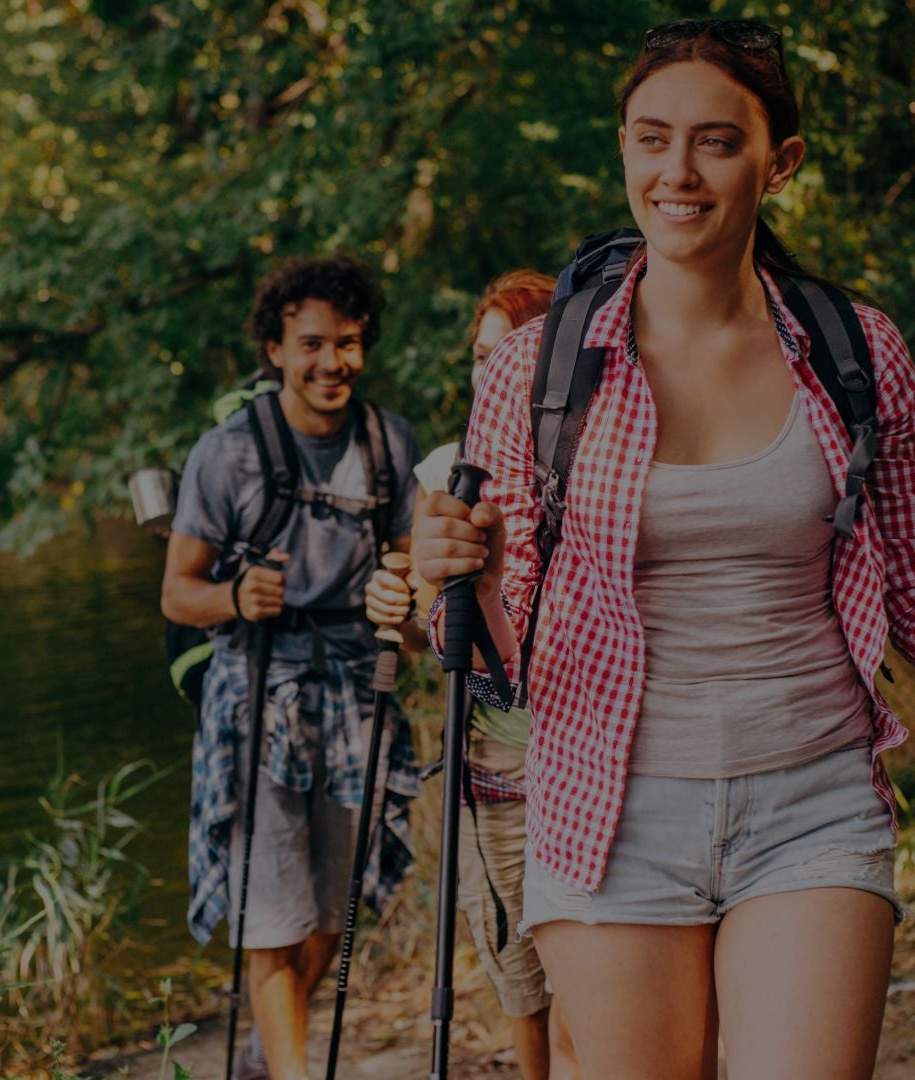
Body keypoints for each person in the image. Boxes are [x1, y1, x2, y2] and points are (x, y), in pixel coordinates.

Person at [407, 19, 915, 1078]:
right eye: (652, 138)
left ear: (780, 163)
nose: (679, 170)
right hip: (604, 812)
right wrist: (461, 570)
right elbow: (497, 647)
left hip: (810, 804)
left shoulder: (855, 353)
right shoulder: (536, 372)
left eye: (717, 141)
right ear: (621, 147)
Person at [161, 254, 422, 1080]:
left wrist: (405, 608)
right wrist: (236, 598)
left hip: (357, 698)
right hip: (257, 703)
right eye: (311, 343)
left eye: (348, 343)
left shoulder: (388, 443)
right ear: (275, 348)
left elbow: (416, 597)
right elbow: (177, 594)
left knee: (330, 919)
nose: (332, 362)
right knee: (272, 915)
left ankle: (267, 1055)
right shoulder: (227, 454)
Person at [369, 270, 580, 1080]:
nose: (489, 375)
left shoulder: (597, 457)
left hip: (585, 756)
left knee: (597, 994)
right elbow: (429, 630)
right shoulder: (446, 473)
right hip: (494, 767)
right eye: (479, 358)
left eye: (510, 354)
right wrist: (399, 599)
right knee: (524, 989)